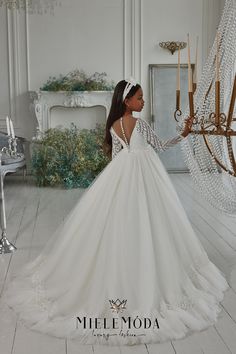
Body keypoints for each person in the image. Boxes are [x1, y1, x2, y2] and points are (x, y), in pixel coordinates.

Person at [2, 79, 229, 346]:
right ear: (127, 101)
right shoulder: (140, 124)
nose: (143, 101)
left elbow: (116, 158)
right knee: (151, 223)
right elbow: (161, 145)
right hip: (146, 177)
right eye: (140, 98)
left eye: (143, 97)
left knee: (118, 223)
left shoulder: (113, 126)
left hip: (120, 176)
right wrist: (185, 133)